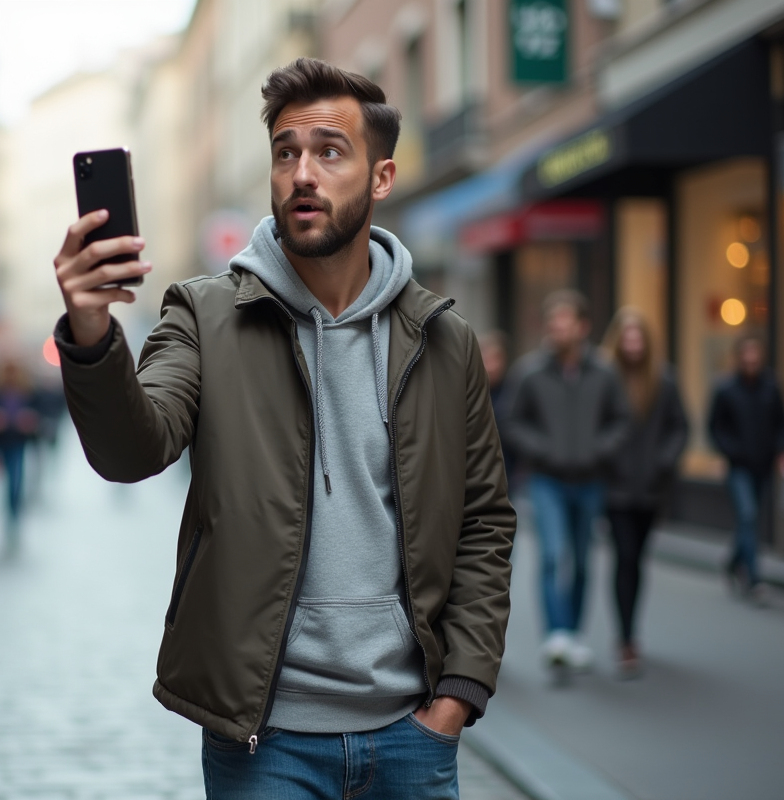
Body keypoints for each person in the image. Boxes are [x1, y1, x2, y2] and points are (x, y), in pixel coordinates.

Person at [52, 58, 515, 797]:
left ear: (382, 177)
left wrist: (459, 692)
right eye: (286, 153)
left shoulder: (442, 338)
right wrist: (89, 327)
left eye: (330, 151)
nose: (303, 172)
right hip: (264, 743)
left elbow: (485, 521)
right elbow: (131, 451)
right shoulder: (204, 315)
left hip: (412, 735)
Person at [503, 290, 630, 675]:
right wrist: (542, 448)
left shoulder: (605, 372)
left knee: (583, 561)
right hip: (546, 479)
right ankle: (555, 634)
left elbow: (621, 421)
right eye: (553, 323)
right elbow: (512, 420)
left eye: (565, 322)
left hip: (590, 480)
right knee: (554, 555)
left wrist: (598, 449)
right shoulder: (530, 372)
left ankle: (573, 633)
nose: (557, 329)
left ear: (583, 327)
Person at [601, 309, 687, 677]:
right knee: (625, 556)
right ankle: (626, 638)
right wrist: (605, 458)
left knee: (638, 559)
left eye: (639, 338)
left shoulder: (664, 381)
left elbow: (680, 427)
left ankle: (630, 631)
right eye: (628, 337)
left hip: (651, 488)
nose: (633, 344)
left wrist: (662, 461)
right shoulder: (605, 378)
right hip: (615, 488)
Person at [708, 334, 784, 601]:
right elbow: (715, 427)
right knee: (748, 514)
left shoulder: (771, 387)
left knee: (749, 519)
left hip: (764, 464)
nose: (751, 359)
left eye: (756, 354)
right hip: (738, 465)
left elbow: (781, 423)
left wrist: (781, 449)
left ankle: (733, 561)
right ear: (739, 356)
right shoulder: (726, 388)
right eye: (747, 353)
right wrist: (731, 451)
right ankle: (753, 578)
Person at [0, 359, 40, 546]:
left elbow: (38, 413)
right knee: (7, 480)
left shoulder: (28, 391)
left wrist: (30, 420)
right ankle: (10, 513)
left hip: (18, 441)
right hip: (1, 441)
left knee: (15, 479)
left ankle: (13, 514)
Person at [479, 330, 516, 492]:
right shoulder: (466, 393)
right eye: (487, 359)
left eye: (496, 359)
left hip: (510, 473)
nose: (492, 366)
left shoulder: (513, 390)